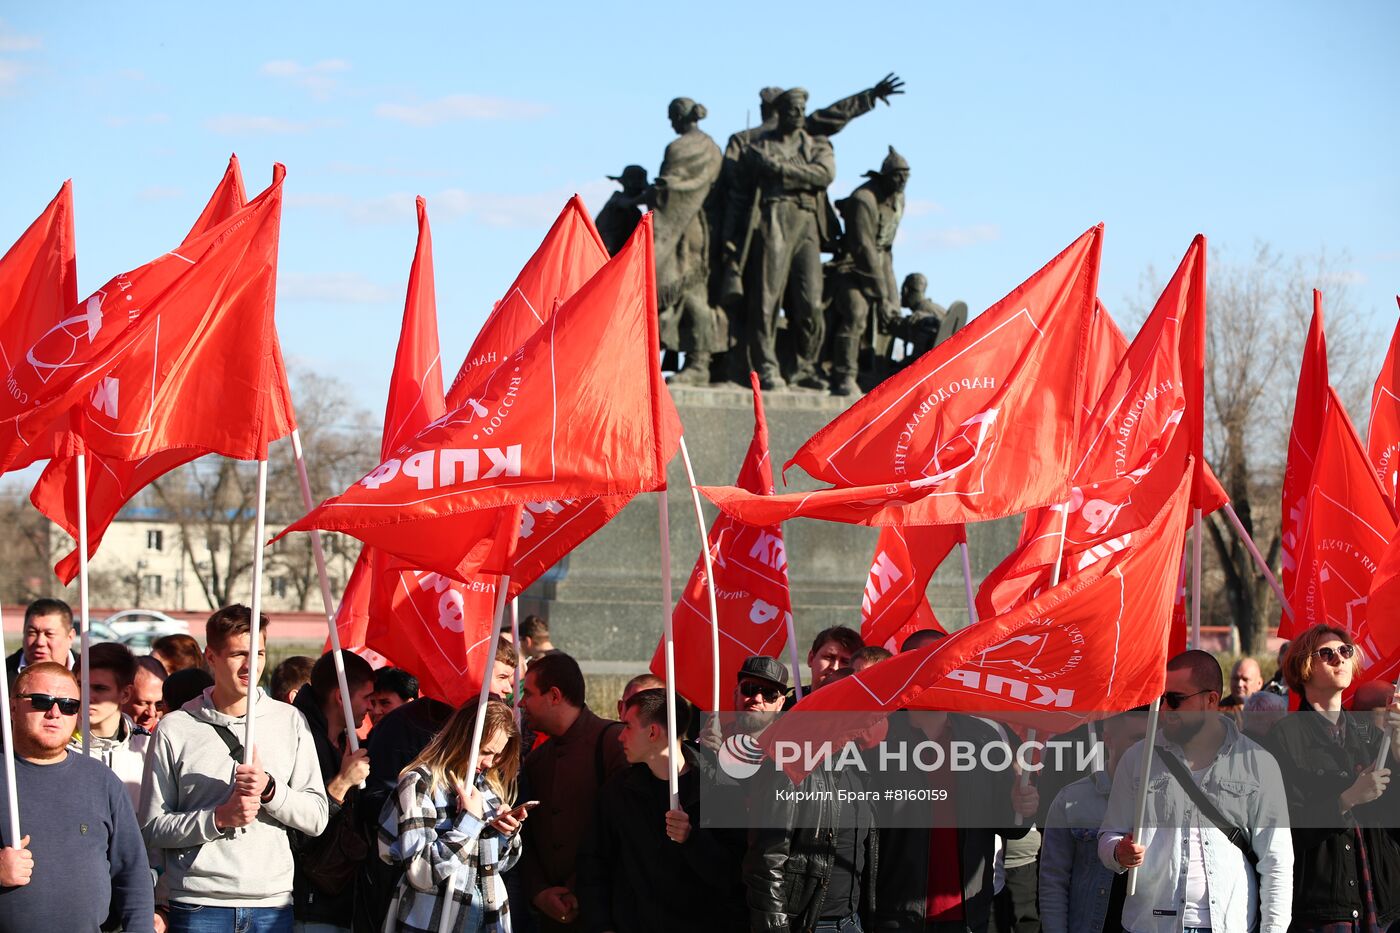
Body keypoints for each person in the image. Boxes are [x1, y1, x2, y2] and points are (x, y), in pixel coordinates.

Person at [140, 605, 328, 932]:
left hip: (271, 904)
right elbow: (152, 828)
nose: (249, 665)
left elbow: (316, 818)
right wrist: (218, 818)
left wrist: (271, 790)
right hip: (200, 904)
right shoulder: (175, 727)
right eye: (238, 654)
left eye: (259, 653)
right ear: (210, 657)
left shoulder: (290, 721)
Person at [1099, 650, 1293, 933]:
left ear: (1211, 700)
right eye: (1161, 699)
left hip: (1229, 924)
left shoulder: (1258, 764)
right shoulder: (1137, 758)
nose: (1164, 709)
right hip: (1151, 925)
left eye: (1175, 700)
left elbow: (1276, 861)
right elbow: (1108, 835)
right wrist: (1118, 851)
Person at [0, 661, 155, 932]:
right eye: (41, 701)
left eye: (69, 704)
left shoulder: (102, 780)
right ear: (13, 706)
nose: (55, 712)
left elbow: (132, 872)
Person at [1267, 624, 1400, 930]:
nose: (1339, 659)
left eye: (1345, 651)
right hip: (1324, 908)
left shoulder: (1370, 736)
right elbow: (1284, 830)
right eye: (1326, 653)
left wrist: (1397, 750)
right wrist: (1347, 799)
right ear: (1303, 666)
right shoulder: (1284, 737)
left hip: (1382, 907)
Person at [578, 688, 743, 932]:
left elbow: (736, 876)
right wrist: (602, 925)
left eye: (628, 726)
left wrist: (692, 839)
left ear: (653, 732)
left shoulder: (721, 788)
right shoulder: (618, 792)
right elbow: (594, 864)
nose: (620, 736)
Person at [873, 710, 1038, 932]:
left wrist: (1022, 807)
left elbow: (1010, 826)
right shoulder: (877, 737)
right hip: (894, 914)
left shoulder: (983, 736)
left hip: (969, 914)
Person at [378, 697, 528, 933]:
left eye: (497, 755)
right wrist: (468, 824)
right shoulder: (420, 782)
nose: (489, 762)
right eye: (485, 751)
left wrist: (505, 834)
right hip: (433, 920)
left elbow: (500, 864)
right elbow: (421, 872)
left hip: (488, 918)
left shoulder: (487, 787)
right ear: (464, 738)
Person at [722, 87, 836, 390]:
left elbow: (824, 174)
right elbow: (736, 189)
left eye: (801, 109)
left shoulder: (817, 145)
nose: (798, 114)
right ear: (781, 113)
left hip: (808, 220)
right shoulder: (761, 147)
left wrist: (779, 171)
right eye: (791, 110)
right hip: (773, 216)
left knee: (810, 301)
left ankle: (804, 366)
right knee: (766, 298)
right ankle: (767, 365)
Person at [518, 652, 626, 931]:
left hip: (606, 912)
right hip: (551, 918)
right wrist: (540, 892)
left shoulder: (614, 743)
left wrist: (579, 888)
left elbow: (626, 830)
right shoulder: (536, 760)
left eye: (528, 693)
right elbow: (524, 836)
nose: (520, 703)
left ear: (554, 695)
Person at [1039, 709, 1149, 933]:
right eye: (1137, 739)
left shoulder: (1171, 800)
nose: (1145, 747)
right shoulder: (1070, 801)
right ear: (1107, 739)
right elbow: (1053, 882)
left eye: (1151, 739)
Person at [291, 650, 376, 932]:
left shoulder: (343, 741)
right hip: (307, 903)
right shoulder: (297, 738)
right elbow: (297, 826)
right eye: (366, 698)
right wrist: (342, 781)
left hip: (340, 900)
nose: (372, 708)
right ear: (341, 696)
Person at [653, 97, 725, 386]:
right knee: (690, 290)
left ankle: (699, 362)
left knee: (690, 291)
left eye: (672, 117)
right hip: (701, 226)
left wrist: (658, 192)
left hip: (684, 227)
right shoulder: (713, 147)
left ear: (679, 117)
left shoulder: (678, 148)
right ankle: (695, 360)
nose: (671, 123)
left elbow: (670, 189)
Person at [826, 147, 910, 395]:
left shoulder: (898, 199)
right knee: (856, 312)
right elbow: (863, 248)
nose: (902, 181)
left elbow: (886, 247)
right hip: (851, 267)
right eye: (897, 176)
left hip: (882, 263)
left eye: (906, 176)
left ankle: (878, 373)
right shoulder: (863, 199)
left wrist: (888, 294)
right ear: (884, 175)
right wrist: (880, 294)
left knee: (892, 316)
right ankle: (844, 374)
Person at [71, 640, 151, 808]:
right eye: (80, 685)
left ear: (125, 694)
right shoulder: (57, 745)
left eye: (99, 688)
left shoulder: (147, 746)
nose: (86, 696)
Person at [4, 598, 75, 685]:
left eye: (49, 634)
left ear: (70, 637)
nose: (40, 642)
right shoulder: (3, 675)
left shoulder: (88, 674)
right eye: (32, 633)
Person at [594, 165, 649, 256]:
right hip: (606, 253)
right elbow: (625, 203)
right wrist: (649, 194)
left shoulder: (636, 212)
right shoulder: (617, 198)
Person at [807, 626, 863, 691]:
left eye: (845, 662)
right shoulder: (794, 700)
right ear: (811, 658)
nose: (835, 667)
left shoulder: (867, 701)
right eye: (828, 657)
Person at [125, 654, 169, 733]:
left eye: (159, 704)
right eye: (143, 703)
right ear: (124, 695)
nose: (151, 713)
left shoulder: (169, 736)